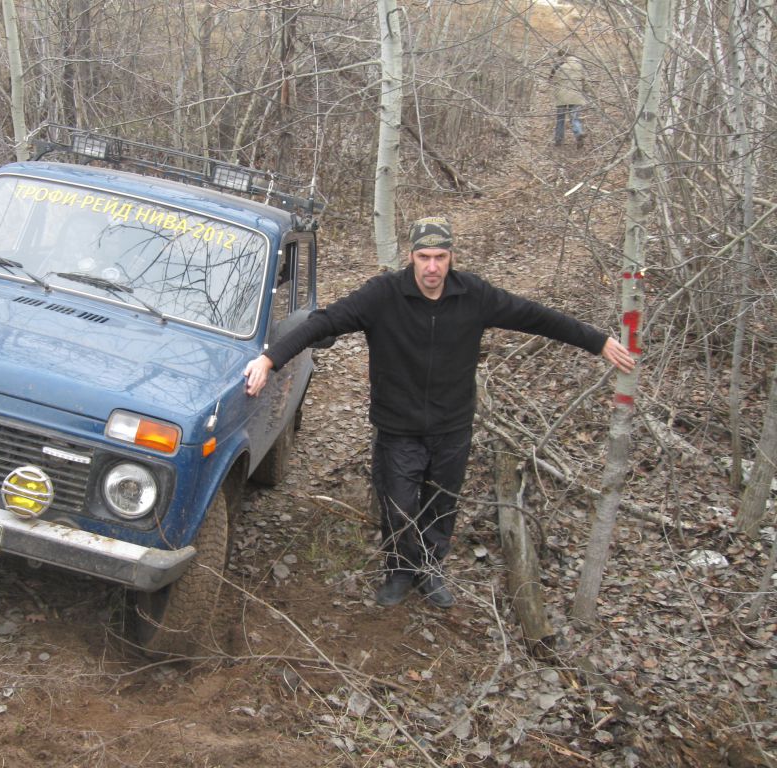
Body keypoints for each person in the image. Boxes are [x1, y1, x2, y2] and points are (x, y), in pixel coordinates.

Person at [243, 216, 635, 609]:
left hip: (452, 427)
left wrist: (597, 342)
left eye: (440, 257)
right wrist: (270, 360)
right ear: (411, 256)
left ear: (451, 257)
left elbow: (536, 317)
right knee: (399, 505)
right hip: (398, 427)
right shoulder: (383, 295)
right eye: (424, 257)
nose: (432, 267)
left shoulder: (474, 295)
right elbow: (325, 321)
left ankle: (430, 570)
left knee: (441, 505)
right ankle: (399, 571)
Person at [550, 49, 586, 149]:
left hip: (562, 97)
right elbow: (585, 81)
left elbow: (554, 81)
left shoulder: (560, 66)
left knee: (560, 119)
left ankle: (558, 140)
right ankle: (578, 133)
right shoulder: (580, 66)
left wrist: (555, 94)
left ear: (563, 56)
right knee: (575, 118)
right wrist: (585, 92)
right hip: (576, 96)